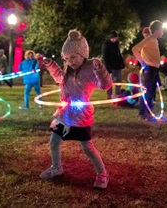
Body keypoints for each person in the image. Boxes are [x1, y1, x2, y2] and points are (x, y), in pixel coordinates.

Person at [40, 29, 112, 189]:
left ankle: (102, 174)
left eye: (73, 56)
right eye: (66, 58)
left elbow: (105, 85)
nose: (70, 61)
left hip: (80, 115)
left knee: (87, 147)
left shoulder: (90, 69)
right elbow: (58, 76)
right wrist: (51, 65)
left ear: (83, 54)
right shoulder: (67, 70)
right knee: (54, 141)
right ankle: (56, 168)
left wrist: (100, 69)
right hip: (63, 113)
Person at [132, 20, 164, 121]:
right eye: (162, 30)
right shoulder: (150, 39)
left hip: (154, 68)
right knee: (147, 91)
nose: (163, 32)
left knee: (151, 91)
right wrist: (142, 62)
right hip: (150, 68)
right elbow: (135, 48)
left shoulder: (154, 40)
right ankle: (143, 113)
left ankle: (149, 111)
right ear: (157, 30)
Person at [102, 30, 125, 99]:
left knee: (119, 80)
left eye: (116, 38)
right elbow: (105, 57)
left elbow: (118, 53)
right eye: (113, 38)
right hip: (110, 66)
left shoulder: (116, 43)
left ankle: (118, 93)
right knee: (110, 82)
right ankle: (109, 95)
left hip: (117, 66)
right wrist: (108, 69)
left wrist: (122, 63)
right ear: (111, 38)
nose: (114, 40)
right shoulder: (106, 44)